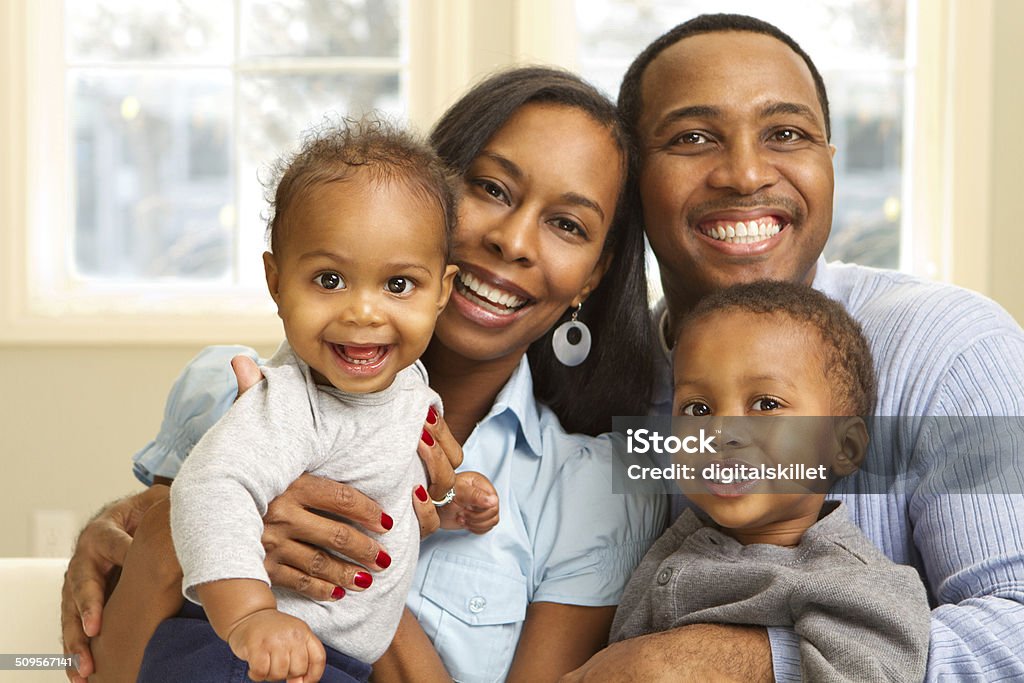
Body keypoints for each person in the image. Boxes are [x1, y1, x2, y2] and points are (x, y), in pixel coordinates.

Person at [62, 66, 667, 683]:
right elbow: (109, 665)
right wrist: (182, 531)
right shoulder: (229, 391)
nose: (514, 241)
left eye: (568, 224)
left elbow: (762, 465)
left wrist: (360, 560)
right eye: (490, 189)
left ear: (593, 276)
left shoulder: (596, 489)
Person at [563, 13, 1024, 682]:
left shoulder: (951, 347)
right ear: (632, 182)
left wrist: (736, 662)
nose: (746, 173)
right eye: (693, 137)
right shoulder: (605, 385)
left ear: (828, 162)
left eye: (786, 133)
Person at [142, 118, 479, 682]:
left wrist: (450, 507)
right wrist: (249, 615)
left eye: (399, 285)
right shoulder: (291, 402)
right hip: (234, 653)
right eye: (329, 280)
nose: (363, 312)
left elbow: (387, 505)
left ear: (442, 290)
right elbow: (210, 487)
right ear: (276, 282)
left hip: (333, 657)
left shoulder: (411, 387)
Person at [610, 280, 931, 682]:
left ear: (844, 447)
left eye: (766, 404)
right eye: (697, 407)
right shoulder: (668, 546)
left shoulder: (859, 588)